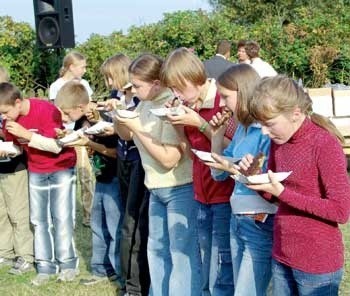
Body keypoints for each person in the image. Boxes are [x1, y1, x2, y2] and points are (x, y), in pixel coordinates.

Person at [246, 75, 350, 295]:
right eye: (261, 124)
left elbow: (341, 211)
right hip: (283, 254)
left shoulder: (324, 145)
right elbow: (275, 196)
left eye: (270, 123)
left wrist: (283, 192)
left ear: (296, 113)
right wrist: (254, 178)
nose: (264, 132)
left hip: (317, 264)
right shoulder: (279, 142)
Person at [115, 53, 202, 296]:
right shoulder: (144, 104)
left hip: (179, 187)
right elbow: (125, 136)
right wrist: (120, 116)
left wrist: (137, 128)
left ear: (155, 83)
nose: (133, 88)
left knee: (181, 254)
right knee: (156, 250)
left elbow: (169, 159)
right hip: (155, 188)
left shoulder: (170, 105)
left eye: (137, 85)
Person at [160, 47, 235, 296]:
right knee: (206, 261)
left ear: (196, 78)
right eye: (172, 89)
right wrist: (178, 124)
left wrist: (199, 123)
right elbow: (189, 151)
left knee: (222, 266)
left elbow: (233, 150)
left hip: (225, 195)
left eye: (180, 88)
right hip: (201, 193)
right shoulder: (188, 105)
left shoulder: (222, 102)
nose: (176, 95)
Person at [207, 64, 276, 296]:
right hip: (238, 219)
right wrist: (216, 136)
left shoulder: (266, 131)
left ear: (244, 92)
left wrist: (228, 165)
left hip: (259, 220)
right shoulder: (242, 128)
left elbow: (262, 178)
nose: (222, 104)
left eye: (226, 97)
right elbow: (218, 174)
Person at [0, 82, 78, 286]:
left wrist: (25, 134)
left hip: (61, 167)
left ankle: (68, 265)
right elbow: (18, 148)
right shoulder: (9, 121)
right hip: (36, 169)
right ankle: (45, 267)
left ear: (18, 102)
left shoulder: (46, 109)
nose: (4, 117)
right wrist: (7, 149)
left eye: (6, 112)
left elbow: (56, 146)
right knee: (39, 220)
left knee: (61, 217)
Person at [55, 80, 124, 288]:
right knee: (97, 225)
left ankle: (119, 272)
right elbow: (80, 135)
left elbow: (114, 152)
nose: (65, 118)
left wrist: (89, 143)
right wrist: (67, 136)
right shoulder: (80, 121)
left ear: (79, 107)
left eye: (67, 114)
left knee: (115, 227)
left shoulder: (102, 118)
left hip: (114, 178)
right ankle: (100, 269)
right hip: (100, 178)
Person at [100, 53, 150, 296]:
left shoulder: (142, 98)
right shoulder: (115, 96)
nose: (109, 85)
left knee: (133, 223)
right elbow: (121, 133)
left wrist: (124, 106)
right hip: (123, 159)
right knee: (125, 222)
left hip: (139, 160)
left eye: (111, 78)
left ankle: (135, 285)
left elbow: (133, 130)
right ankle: (126, 278)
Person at [49, 50, 95, 227]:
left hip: (79, 134)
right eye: (82, 67)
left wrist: (85, 127)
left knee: (85, 175)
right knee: (63, 176)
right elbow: (56, 112)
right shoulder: (56, 86)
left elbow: (86, 109)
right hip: (62, 135)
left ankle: (88, 214)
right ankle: (62, 214)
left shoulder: (84, 84)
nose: (84, 70)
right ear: (71, 67)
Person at [0, 66, 34, 275]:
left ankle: (24, 254)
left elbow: (23, 140)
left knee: (17, 212)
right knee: (1, 212)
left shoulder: (14, 111)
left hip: (15, 167)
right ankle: (5, 250)